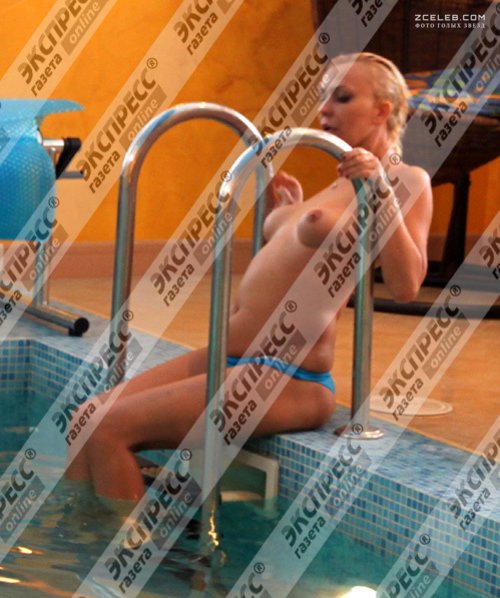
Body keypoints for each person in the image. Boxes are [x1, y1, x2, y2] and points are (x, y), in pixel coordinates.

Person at [66, 52, 433, 502]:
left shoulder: (404, 180)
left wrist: (381, 190)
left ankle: (120, 547)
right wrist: (289, 213)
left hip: (287, 375)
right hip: (231, 355)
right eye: (323, 97)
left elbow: (407, 283)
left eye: (342, 97)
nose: (325, 109)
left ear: (382, 110)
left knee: (108, 430)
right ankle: (82, 535)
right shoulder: (337, 183)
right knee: (85, 420)